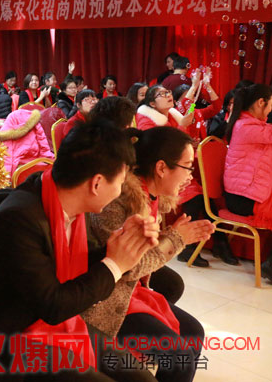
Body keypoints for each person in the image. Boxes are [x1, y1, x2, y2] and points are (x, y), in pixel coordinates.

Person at [0, 120, 160, 381]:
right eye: (120, 182)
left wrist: (123, 245)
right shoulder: (19, 217)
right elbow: (53, 306)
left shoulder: (66, 199)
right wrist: (115, 264)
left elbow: (75, 262)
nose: (119, 192)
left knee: (141, 377)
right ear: (96, 184)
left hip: (39, 318)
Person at [86, 127, 213, 382]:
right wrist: (175, 239)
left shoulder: (153, 196)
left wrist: (172, 237)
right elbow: (125, 265)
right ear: (161, 168)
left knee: (194, 332)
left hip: (129, 289)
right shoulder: (118, 200)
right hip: (104, 297)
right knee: (180, 357)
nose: (190, 176)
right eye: (187, 167)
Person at [223, 84, 272, 280]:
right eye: (271, 105)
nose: (271, 110)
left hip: (250, 192)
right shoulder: (245, 127)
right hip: (241, 198)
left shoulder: (253, 125)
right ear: (261, 102)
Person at [0, 108, 54, 176]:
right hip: (36, 158)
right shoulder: (34, 121)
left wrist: (7, 174)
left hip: (20, 166)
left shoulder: (7, 130)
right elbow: (41, 138)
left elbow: (7, 152)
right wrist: (46, 154)